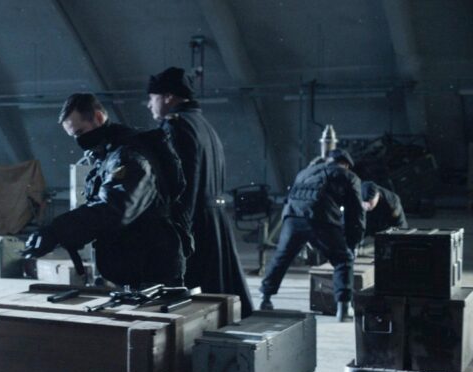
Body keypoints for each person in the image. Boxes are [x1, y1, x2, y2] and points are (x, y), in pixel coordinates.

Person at [22, 93, 185, 288]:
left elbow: (114, 209)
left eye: (80, 132)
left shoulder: (129, 156)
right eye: (74, 136)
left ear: (98, 117)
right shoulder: (109, 155)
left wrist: (58, 231)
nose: (79, 140)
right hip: (136, 266)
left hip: (150, 268)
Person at [146, 67, 253, 317]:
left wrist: (177, 234)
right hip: (215, 222)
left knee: (191, 308)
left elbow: (182, 186)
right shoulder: (203, 125)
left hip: (195, 224)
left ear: (168, 97)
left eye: (152, 98)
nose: (149, 104)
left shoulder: (176, 126)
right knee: (218, 296)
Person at [259, 149, 365, 321]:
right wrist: (353, 243)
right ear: (345, 164)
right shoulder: (348, 176)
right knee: (343, 260)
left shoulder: (305, 172)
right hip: (321, 219)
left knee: (281, 257)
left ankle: (265, 299)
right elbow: (356, 212)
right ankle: (343, 310)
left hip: (292, 218)